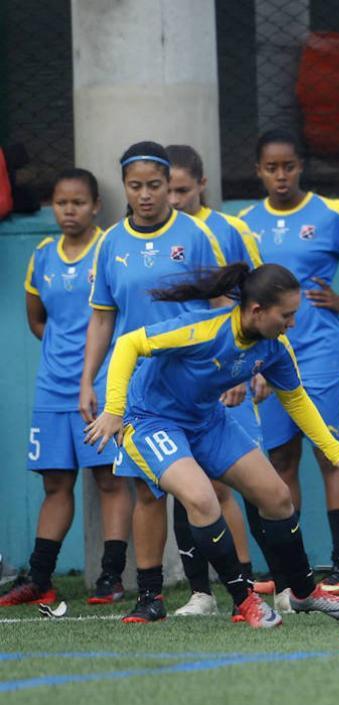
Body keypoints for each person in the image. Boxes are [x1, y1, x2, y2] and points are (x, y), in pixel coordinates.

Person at [84, 263, 339, 628]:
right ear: (257, 311)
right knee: (202, 499)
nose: (292, 323)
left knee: (277, 497)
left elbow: (296, 399)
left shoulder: (275, 347)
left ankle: (303, 591)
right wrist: (113, 410)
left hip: (206, 419)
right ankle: (243, 600)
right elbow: (129, 344)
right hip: (151, 419)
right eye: (286, 315)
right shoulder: (203, 329)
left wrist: (336, 454)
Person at [240, 129, 339, 598]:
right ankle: (290, 568)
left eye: (288, 166)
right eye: (271, 168)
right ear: (258, 171)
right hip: (268, 358)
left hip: (320, 354)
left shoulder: (329, 214)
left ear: (301, 167)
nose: (281, 176)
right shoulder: (244, 224)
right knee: (279, 459)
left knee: (330, 454)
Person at [80, 142, 229, 623]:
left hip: (192, 382)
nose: (145, 195)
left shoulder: (196, 234)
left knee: (196, 486)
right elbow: (103, 319)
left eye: (155, 185)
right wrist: (88, 381)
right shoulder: (110, 243)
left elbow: (221, 304)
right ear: (124, 187)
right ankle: (150, 596)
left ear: (170, 185)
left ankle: (207, 591)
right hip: (137, 388)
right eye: (135, 186)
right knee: (147, 490)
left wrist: (231, 368)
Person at [1, 169, 134, 607]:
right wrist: (63, 353)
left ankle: (111, 577)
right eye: (61, 203)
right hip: (52, 389)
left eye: (79, 202)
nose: (69, 210)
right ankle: (40, 579)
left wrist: (95, 369)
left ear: (96, 206)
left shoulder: (109, 248)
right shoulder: (42, 255)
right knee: (55, 484)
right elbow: (37, 320)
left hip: (101, 386)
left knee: (109, 479)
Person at [166, 144, 276, 617]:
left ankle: (261, 583)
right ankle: (202, 592)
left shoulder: (229, 231)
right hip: (176, 381)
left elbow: (260, 299)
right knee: (184, 483)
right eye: (167, 191)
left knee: (243, 480)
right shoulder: (154, 238)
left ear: (203, 184)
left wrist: (253, 367)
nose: (173, 200)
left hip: (228, 375)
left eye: (182, 190)